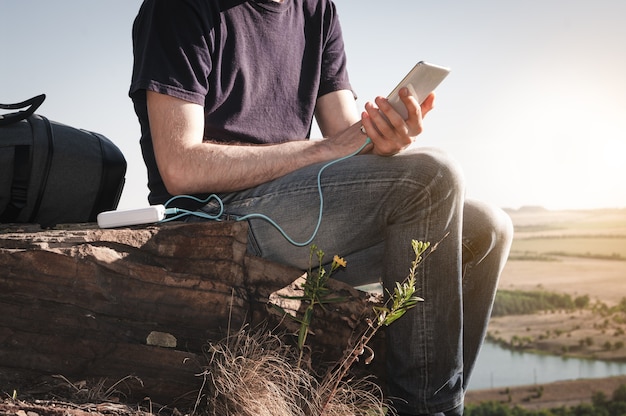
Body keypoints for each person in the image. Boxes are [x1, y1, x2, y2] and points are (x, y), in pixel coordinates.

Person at [129, 1, 513, 414]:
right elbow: (180, 166)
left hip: (302, 213)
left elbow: (348, 139)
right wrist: (328, 149)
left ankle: (435, 400)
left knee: (487, 228)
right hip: (215, 217)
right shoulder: (178, 8)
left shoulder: (317, 10)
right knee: (435, 176)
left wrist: (384, 139)